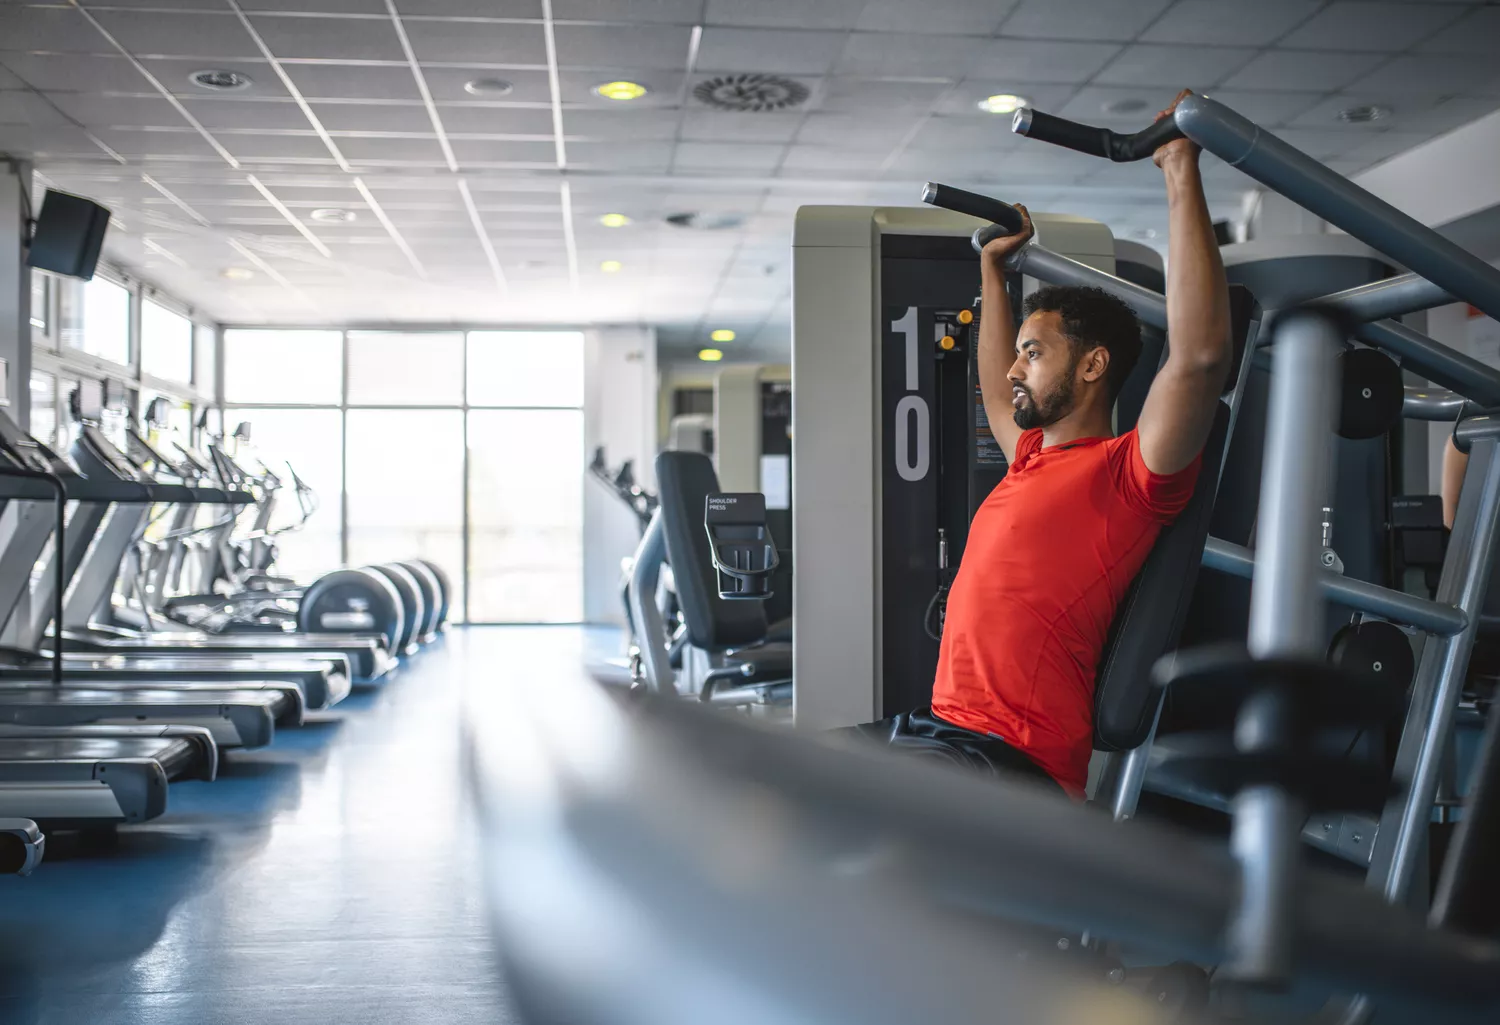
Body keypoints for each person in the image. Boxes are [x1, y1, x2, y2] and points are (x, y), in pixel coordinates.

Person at [842, 91, 1233, 799]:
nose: (1016, 368)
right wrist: (993, 274)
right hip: (943, 731)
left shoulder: (1129, 475)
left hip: (1012, 760)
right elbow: (996, 391)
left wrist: (1178, 166)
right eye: (1019, 352)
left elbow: (1201, 357)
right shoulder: (1030, 456)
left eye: (1035, 353)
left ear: (1092, 366)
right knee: (766, 772)